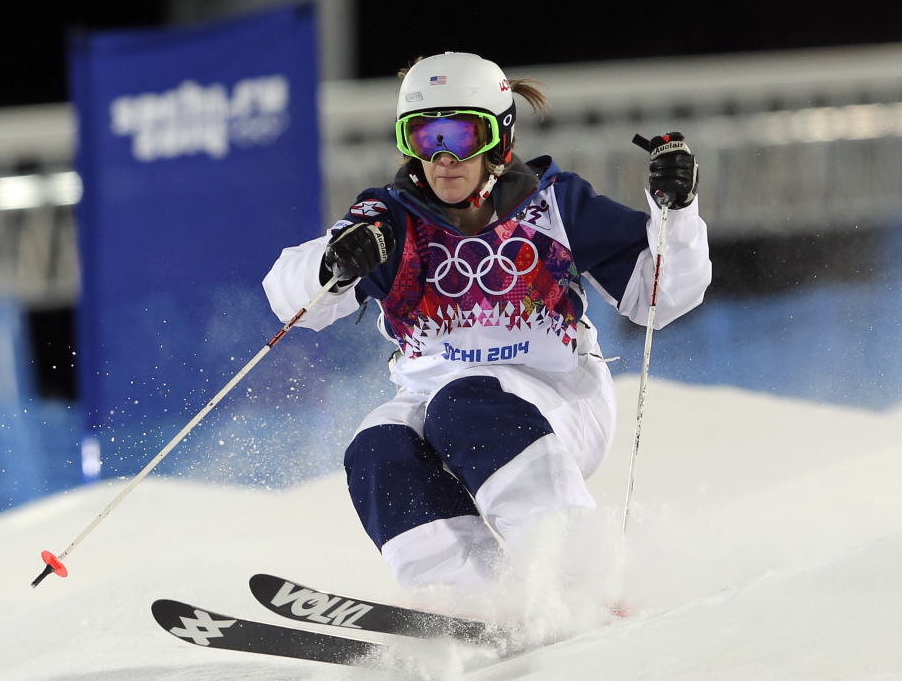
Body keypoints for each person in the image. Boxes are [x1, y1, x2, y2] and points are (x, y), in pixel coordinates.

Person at [263, 52, 711, 595]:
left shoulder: (551, 205)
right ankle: (471, 598)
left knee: (466, 401)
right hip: (436, 400)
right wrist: (332, 262)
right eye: (425, 138)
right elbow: (288, 298)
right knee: (377, 445)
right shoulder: (391, 222)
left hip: (557, 399)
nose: (444, 158)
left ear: (498, 139)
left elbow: (661, 296)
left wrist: (678, 212)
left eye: (462, 136)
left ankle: (579, 576)